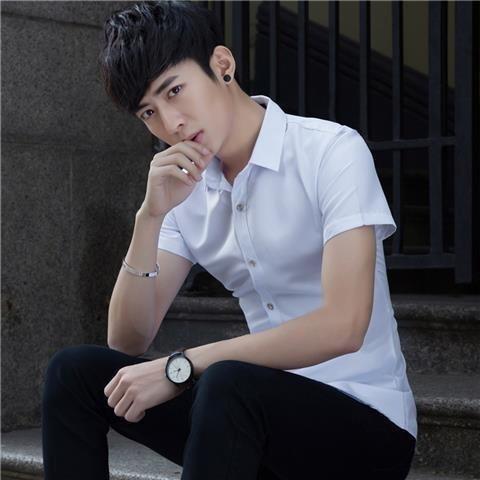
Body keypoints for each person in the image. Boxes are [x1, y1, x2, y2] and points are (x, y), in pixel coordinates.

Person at [41, 1, 417, 479]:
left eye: (175, 90)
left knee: (226, 382)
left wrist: (183, 365)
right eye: (149, 112)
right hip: (249, 418)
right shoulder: (185, 191)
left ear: (222, 65)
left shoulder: (331, 151)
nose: (171, 124)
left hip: (365, 425)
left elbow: (344, 326)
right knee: (73, 373)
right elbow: (128, 338)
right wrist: (150, 216)